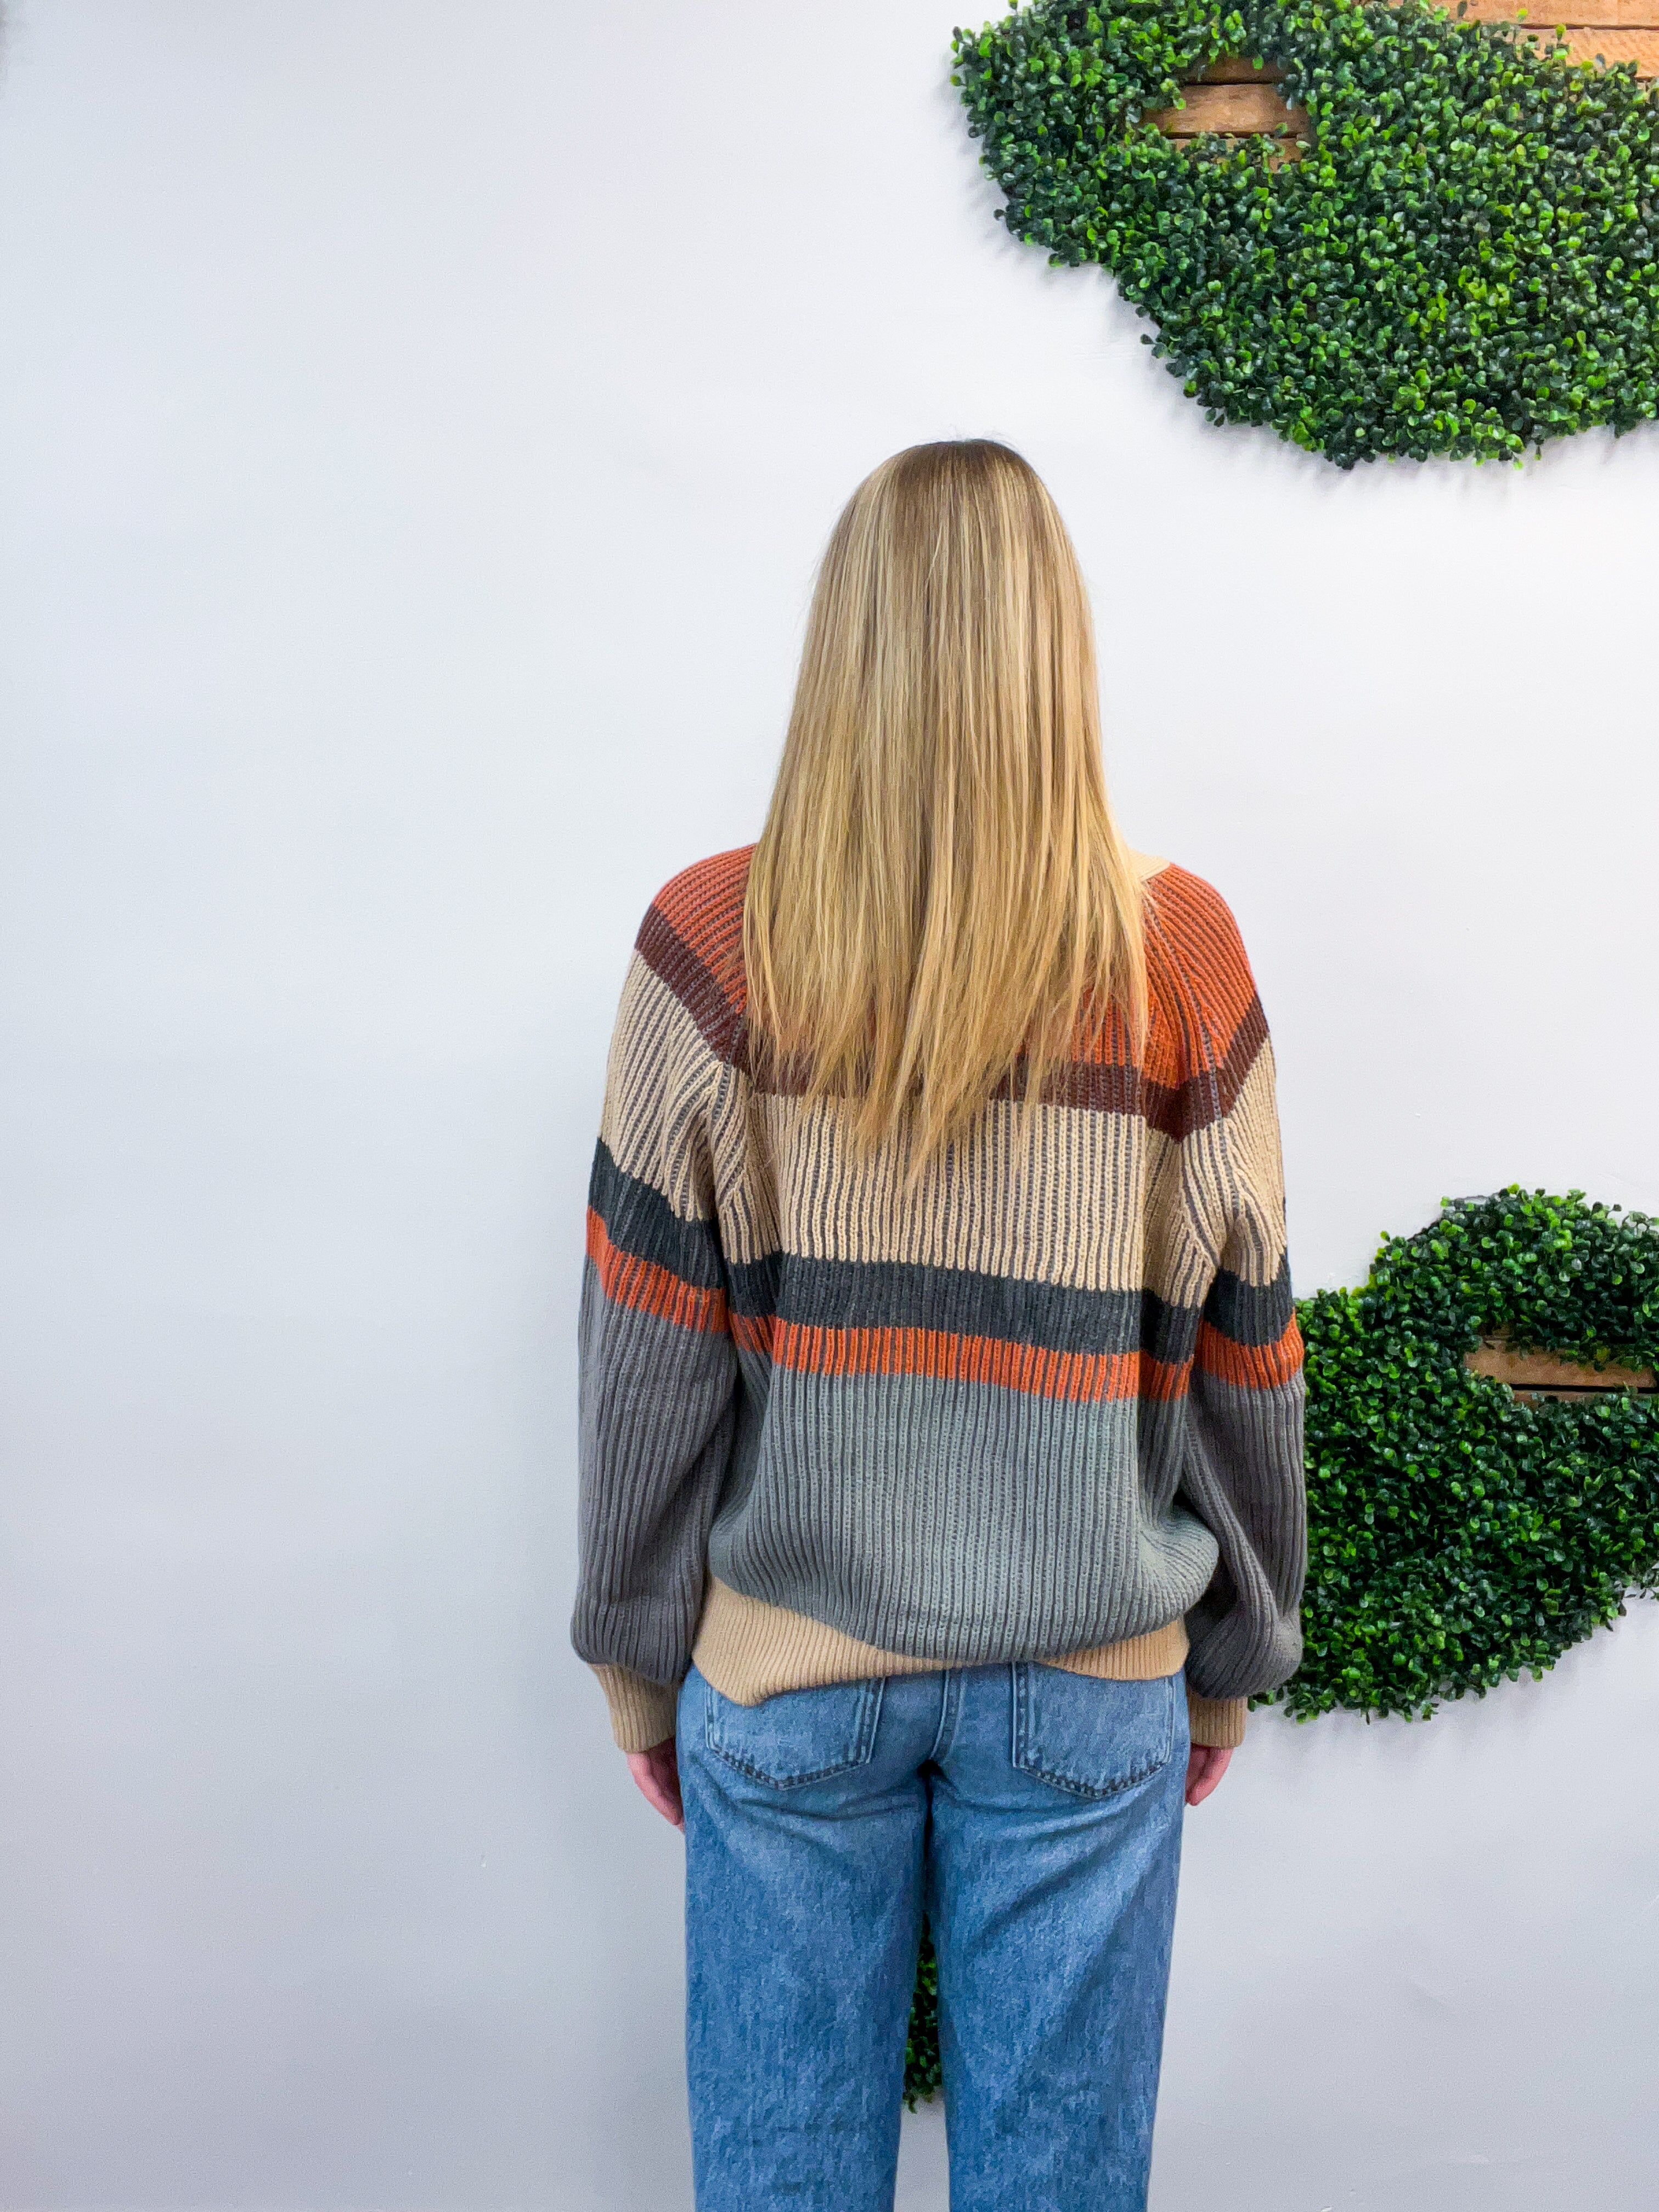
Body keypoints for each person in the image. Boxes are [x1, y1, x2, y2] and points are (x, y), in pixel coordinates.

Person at [572, 440, 1306, 2211]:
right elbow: (1247, 1346)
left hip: (792, 1673)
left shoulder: (710, 947)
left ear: (852, 641)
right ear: (1057, 650)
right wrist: (1236, 1658)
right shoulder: (1176, 956)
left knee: (778, 2180)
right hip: (1086, 1685)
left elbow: (645, 1359)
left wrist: (637, 1657)